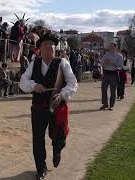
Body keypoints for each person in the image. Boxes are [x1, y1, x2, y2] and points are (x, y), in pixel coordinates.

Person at [19, 33, 77, 180]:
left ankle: (57, 150)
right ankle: (41, 167)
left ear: (55, 48)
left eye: (51, 45)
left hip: (57, 105)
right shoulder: (34, 63)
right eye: (45, 45)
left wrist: (62, 94)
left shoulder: (62, 62)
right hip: (38, 106)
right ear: (40, 49)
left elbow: (73, 83)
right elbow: (23, 81)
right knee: (38, 138)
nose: (49, 47)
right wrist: (34, 85)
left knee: (58, 135)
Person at [100, 43, 123, 110]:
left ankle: (111, 105)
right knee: (103, 89)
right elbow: (102, 64)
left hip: (114, 74)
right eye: (109, 46)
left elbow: (120, 66)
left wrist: (112, 63)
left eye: (112, 47)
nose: (110, 48)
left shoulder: (119, 56)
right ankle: (105, 104)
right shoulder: (106, 54)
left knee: (113, 91)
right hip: (106, 73)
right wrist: (106, 63)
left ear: (116, 47)